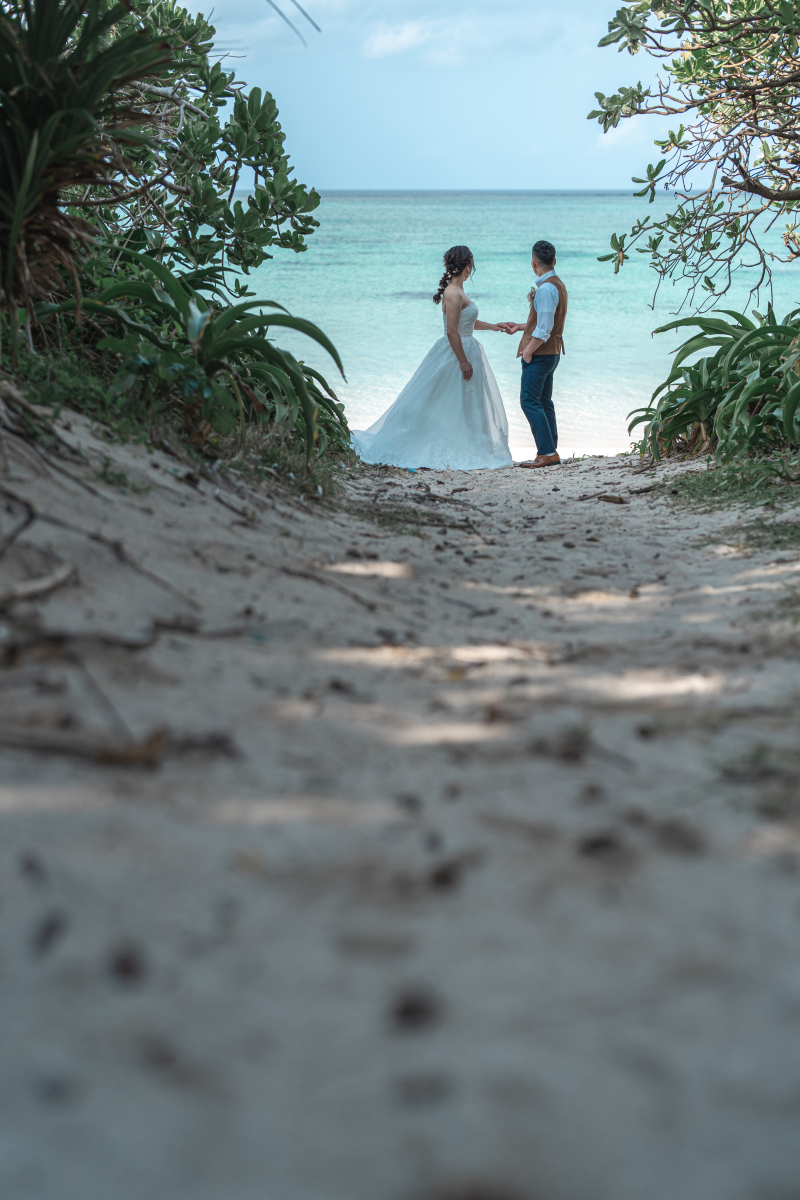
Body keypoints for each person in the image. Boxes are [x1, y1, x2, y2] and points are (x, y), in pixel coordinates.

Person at [350, 246, 513, 471]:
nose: (472, 269)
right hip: (456, 353)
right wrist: (463, 361)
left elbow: (467, 323)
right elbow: (452, 332)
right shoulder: (452, 293)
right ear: (467, 266)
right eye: (472, 265)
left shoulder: (459, 290)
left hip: (467, 348)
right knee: (445, 401)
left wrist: (493, 326)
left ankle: (471, 445)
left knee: (466, 403)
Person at [504, 240, 568, 469]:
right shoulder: (557, 285)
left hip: (541, 355)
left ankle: (547, 452)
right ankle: (550, 450)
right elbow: (544, 322)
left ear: (534, 264)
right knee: (543, 401)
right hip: (552, 353)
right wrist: (520, 327)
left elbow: (544, 329)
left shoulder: (547, 289)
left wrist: (528, 352)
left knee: (529, 401)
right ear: (554, 261)